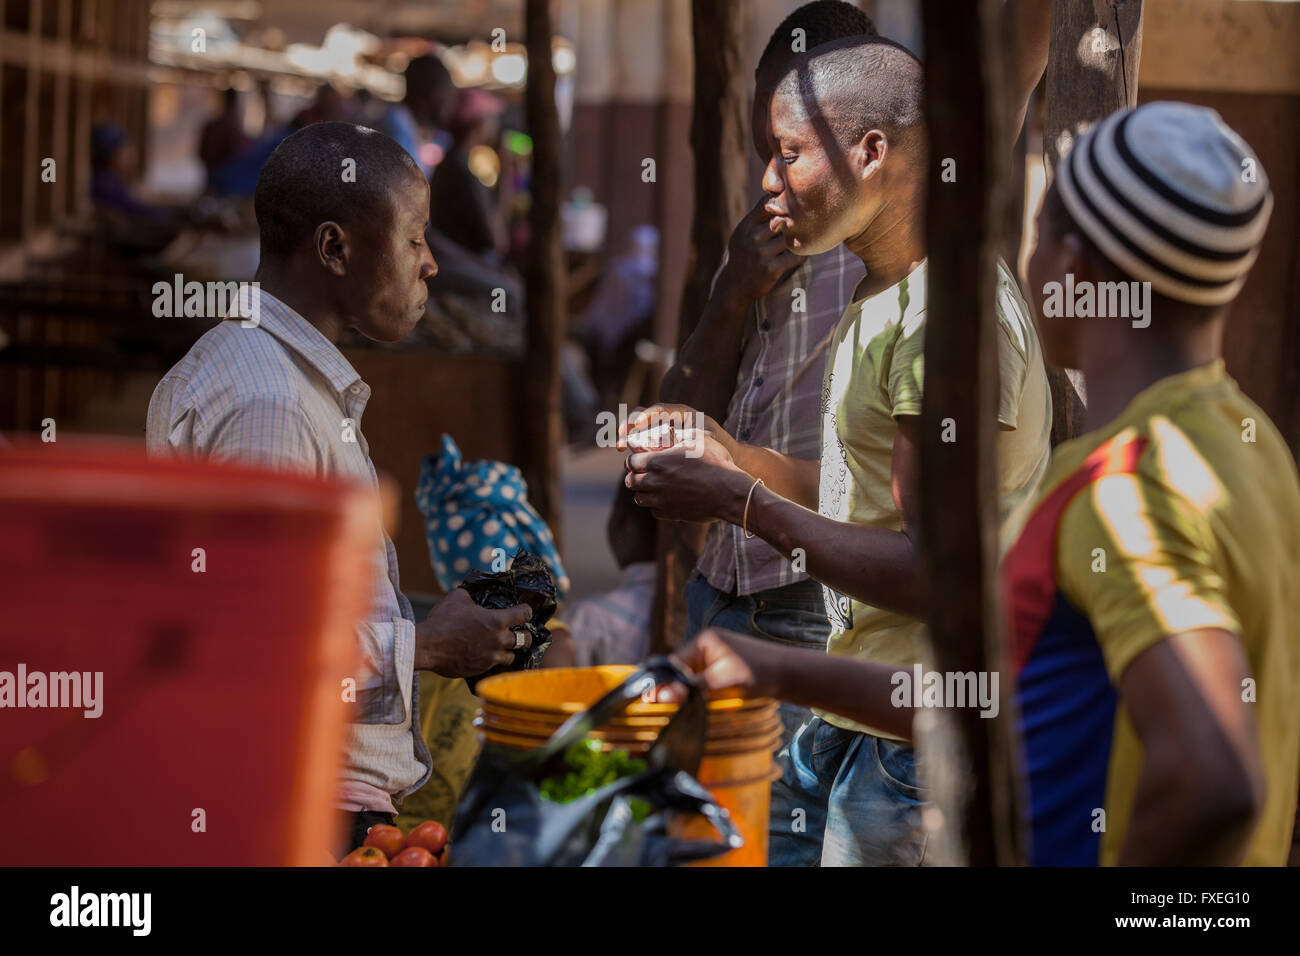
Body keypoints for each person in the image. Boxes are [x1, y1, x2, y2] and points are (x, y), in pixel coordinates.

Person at [665, 102, 1299, 868]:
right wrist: (780, 669)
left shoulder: (1129, 488)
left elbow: (1214, 778)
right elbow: (997, 702)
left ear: (1071, 267)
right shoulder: (1251, 444)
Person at [624, 36, 1053, 866]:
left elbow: (936, 571)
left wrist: (734, 502)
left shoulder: (940, 325)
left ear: (871, 152)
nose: (768, 181)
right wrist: (733, 458)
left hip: (918, 740)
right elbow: (868, 496)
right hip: (862, 716)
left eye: (788, 154)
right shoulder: (881, 293)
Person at [145, 123, 534, 854]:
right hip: (303, 801)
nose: (430, 266)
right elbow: (254, 642)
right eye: (415, 239)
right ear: (334, 249)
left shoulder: (259, 370)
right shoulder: (271, 404)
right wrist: (420, 644)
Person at [657, 0, 876, 749]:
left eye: (789, 149)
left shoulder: (898, 268)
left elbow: (871, 496)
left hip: (810, 605)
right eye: (764, 149)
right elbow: (684, 405)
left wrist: (736, 476)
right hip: (720, 585)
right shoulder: (761, 245)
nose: (767, 177)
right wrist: (727, 296)